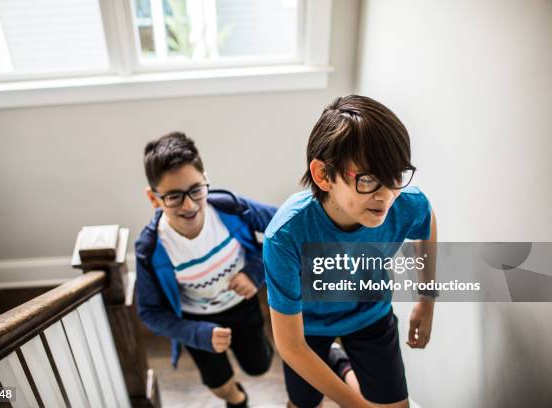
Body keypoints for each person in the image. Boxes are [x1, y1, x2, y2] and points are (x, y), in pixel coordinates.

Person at [263, 95, 437, 408]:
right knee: (302, 403)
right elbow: (290, 345)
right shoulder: (285, 236)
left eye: (395, 176)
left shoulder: (405, 204)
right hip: (307, 327)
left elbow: (426, 219)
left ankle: (340, 363)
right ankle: (336, 360)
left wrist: (426, 300)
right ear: (323, 175)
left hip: (370, 314)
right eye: (368, 180)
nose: (386, 196)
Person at [134, 132, 276, 408]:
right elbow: (149, 312)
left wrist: (254, 273)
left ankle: (252, 356)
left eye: (196, 190)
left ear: (205, 181)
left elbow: (284, 229)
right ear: (154, 198)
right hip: (196, 322)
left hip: (243, 308)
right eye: (174, 196)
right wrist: (197, 334)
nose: (189, 205)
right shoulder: (151, 249)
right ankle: (237, 398)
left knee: (259, 366)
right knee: (219, 385)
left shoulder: (231, 208)